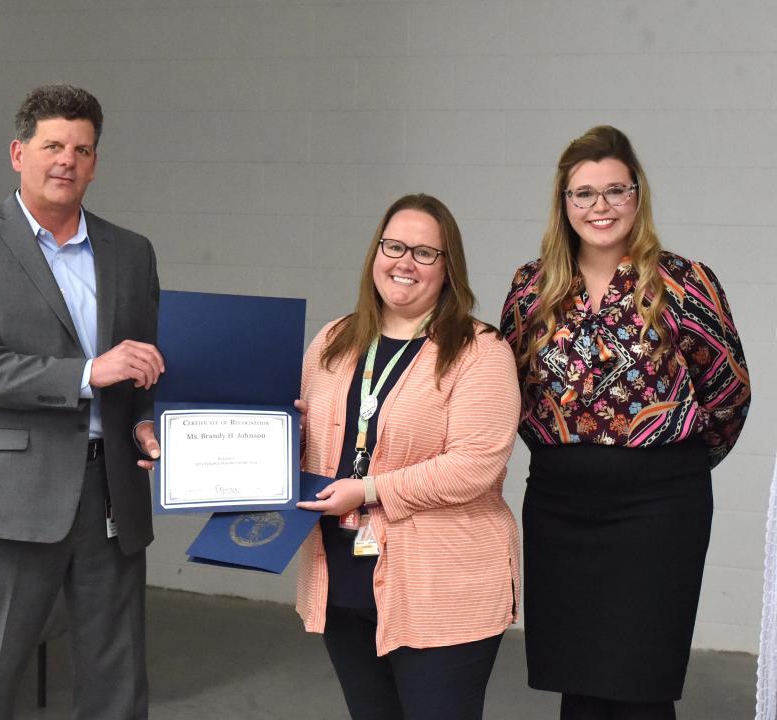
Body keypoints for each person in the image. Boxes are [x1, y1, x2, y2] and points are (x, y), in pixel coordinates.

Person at [500, 125, 751, 720]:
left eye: (616, 190)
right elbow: (502, 388)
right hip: (561, 504)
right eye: (583, 194)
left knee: (642, 684)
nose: (600, 207)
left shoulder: (685, 283)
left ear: (638, 197)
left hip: (660, 508)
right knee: (579, 681)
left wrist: (670, 460)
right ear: (563, 204)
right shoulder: (530, 289)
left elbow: (728, 392)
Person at [0, 84, 163, 719]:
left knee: (117, 684)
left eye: (82, 149)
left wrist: (144, 423)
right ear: (18, 152)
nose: (67, 160)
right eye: (52, 145)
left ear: (95, 162)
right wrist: (90, 372)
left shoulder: (132, 252)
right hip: (9, 494)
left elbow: (142, 370)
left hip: (111, 494)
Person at [294, 193, 521, 719]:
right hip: (344, 577)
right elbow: (312, 440)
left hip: (442, 585)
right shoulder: (334, 339)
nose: (404, 263)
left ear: (448, 268)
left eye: (424, 253)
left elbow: (476, 464)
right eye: (393, 246)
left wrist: (370, 490)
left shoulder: (480, 351)